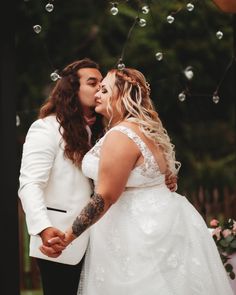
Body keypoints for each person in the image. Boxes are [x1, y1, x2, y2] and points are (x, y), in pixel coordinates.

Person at [42, 67, 234, 295]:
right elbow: (163, 178)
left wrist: (69, 236)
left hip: (135, 233)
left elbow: (106, 196)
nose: (97, 95)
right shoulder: (148, 131)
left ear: (121, 96)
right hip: (161, 222)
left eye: (104, 90)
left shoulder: (121, 135)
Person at [18, 59, 177, 295]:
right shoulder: (45, 128)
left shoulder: (112, 130)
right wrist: (42, 228)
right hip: (60, 238)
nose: (99, 90)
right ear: (72, 89)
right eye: (93, 83)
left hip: (107, 241)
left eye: (103, 86)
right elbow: (30, 183)